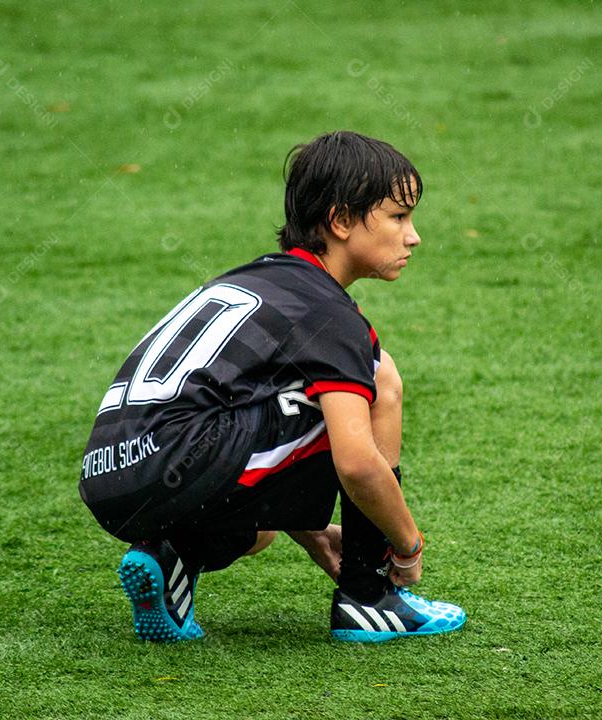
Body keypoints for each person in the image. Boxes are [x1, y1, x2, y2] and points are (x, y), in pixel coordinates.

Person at [78, 131, 465, 643]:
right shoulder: (328, 314)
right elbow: (355, 461)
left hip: (108, 475)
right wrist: (405, 548)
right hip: (179, 454)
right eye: (398, 217)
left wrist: (306, 530)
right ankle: (371, 597)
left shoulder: (255, 278)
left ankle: (170, 558)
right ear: (342, 220)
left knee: (259, 531)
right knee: (379, 374)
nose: (413, 236)